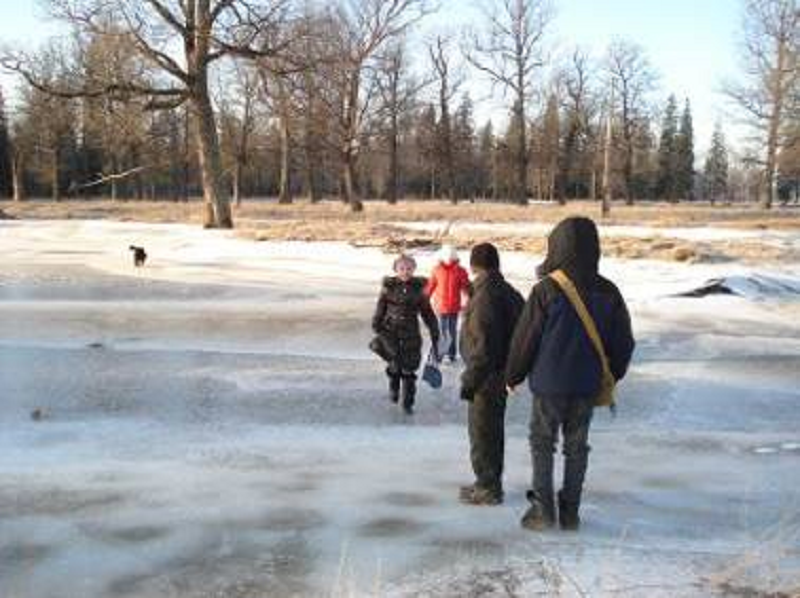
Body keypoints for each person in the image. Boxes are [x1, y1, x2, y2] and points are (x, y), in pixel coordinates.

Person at [505, 217, 635, 530]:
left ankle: (543, 510)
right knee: (576, 447)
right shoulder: (608, 291)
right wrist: (611, 375)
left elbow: (526, 338)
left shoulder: (547, 289)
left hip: (549, 385)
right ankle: (570, 512)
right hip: (586, 385)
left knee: (542, 443)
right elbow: (624, 342)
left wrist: (513, 375)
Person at [458, 243, 524, 505]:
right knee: (490, 431)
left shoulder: (486, 295)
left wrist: (470, 379)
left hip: (487, 376)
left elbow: (484, 345)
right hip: (500, 373)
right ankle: (486, 481)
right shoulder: (507, 290)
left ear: (474, 265)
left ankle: (488, 488)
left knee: (483, 432)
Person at [371, 254, 440, 415]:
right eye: (402, 268)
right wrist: (377, 325)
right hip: (391, 332)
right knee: (395, 366)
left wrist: (434, 330)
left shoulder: (419, 290)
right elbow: (380, 309)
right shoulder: (388, 288)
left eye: (409, 268)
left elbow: (427, 312)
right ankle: (394, 389)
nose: (405, 271)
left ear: (414, 269)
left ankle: (408, 403)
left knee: (409, 370)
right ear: (396, 270)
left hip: (411, 334)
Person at [425, 244, 470, 363]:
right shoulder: (436, 270)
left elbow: (466, 288)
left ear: (455, 257)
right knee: (441, 332)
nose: (449, 258)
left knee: (452, 332)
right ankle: (439, 355)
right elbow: (431, 286)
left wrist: (469, 300)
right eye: (447, 256)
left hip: (454, 307)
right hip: (440, 307)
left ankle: (452, 354)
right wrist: (424, 299)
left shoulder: (461, 271)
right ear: (442, 257)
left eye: (452, 256)